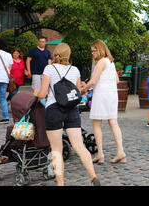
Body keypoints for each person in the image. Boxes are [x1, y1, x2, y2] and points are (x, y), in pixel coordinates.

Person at [34, 43, 100, 186]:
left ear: (55, 53)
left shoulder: (49, 68)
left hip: (54, 110)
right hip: (71, 110)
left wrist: (35, 93)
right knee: (79, 146)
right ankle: (93, 176)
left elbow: (43, 94)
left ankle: (61, 183)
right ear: (68, 55)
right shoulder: (75, 70)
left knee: (57, 150)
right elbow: (76, 92)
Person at [81, 40, 126, 164]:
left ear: (99, 50)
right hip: (112, 95)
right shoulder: (110, 62)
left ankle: (100, 154)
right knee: (113, 122)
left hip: (101, 94)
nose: (92, 53)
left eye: (94, 51)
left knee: (97, 124)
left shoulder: (100, 62)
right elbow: (116, 80)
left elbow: (93, 81)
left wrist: (83, 89)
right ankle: (121, 151)